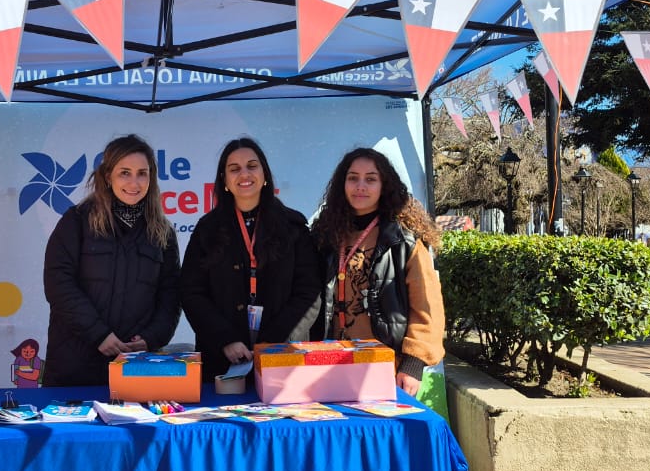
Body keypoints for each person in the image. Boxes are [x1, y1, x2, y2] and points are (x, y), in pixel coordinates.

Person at [42, 134, 182, 387]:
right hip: (74, 366)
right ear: (108, 176)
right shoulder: (76, 221)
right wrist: (99, 335)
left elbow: (170, 296)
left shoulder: (162, 232)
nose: (134, 182)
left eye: (142, 173)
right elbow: (58, 283)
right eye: (124, 173)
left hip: (135, 365)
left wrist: (150, 339)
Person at [180, 137, 320, 381]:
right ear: (224, 181)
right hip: (222, 361)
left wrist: (273, 342)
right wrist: (225, 339)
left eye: (252, 166)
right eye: (234, 169)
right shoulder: (207, 229)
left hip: (282, 358)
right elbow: (191, 292)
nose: (244, 174)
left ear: (264, 174)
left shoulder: (293, 226)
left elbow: (309, 292)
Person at [310, 147, 445, 394]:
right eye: (353, 178)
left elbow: (428, 308)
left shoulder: (404, 241)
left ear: (384, 185)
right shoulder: (326, 236)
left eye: (370, 179)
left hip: (386, 369)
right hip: (327, 364)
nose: (360, 186)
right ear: (343, 184)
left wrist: (413, 364)